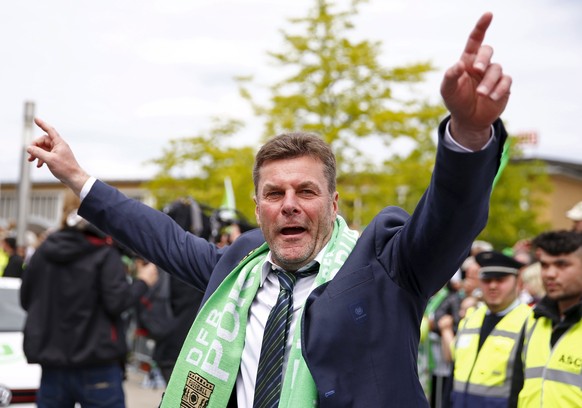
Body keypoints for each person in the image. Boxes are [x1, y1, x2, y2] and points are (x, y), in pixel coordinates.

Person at [27, 12, 511, 407]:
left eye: (306, 191)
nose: (290, 206)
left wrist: (467, 137)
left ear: (334, 202)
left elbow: (448, 218)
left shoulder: (386, 266)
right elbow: (158, 235)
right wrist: (76, 176)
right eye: (275, 194)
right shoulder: (239, 265)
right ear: (258, 207)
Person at [20, 193, 158, 408]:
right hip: (98, 361)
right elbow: (117, 302)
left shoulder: (43, 252)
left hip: (53, 363)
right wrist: (143, 282)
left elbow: (26, 300)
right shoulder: (104, 252)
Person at [444, 250, 530, 408]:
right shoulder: (471, 318)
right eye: (487, 279)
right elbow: (454, 372)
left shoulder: (529, 321)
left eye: (500, 280)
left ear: (518, 282)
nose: (493, 286)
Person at [515, 230, 582, 407]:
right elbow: (517, 388)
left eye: (562, 265)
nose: (550, 274)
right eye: (544, 265)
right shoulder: (534, 321)